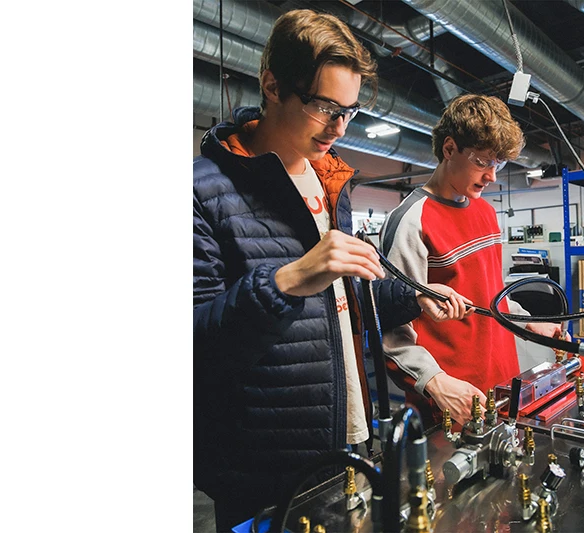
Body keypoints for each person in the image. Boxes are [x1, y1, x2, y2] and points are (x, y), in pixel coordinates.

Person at [192, 9, 469, 531]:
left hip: (347, 431)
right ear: (272, 86)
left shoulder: (329, 182)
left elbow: (342, 306)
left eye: (350, 110)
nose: (340, 127)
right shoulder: (203, 191)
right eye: (325, 107)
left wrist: (411, 297)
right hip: (263, 464)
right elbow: (197, 342)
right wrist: (287, 280)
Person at [379, 94, 567, 428]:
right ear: (449, 149)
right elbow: (391, 332)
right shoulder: (412, 221)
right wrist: (435, 382)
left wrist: (528, 324)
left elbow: (494, 294)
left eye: (499, 164)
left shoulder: (485, 211)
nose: (492, 176)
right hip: (452, 400)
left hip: (503, 384)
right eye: (483, 162)